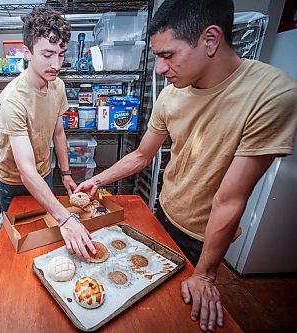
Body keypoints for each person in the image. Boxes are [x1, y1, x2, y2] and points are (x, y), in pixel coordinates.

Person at [76, 0, 297, 331]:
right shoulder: (170, 96)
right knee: (138, 301)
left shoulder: (270, 94)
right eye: (158, 58)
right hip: (163, 213)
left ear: (210, 40)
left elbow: (230, 198)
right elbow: (141, 155)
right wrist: (96, 181)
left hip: (204, 235)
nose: (160, 69)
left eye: (168, 55)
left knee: (174, 316)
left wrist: (206, 274)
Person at [0, 6, 96, 260]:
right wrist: (66, 218)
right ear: (27, 52)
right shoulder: (12, 100)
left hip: (45, 173)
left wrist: (65, 173)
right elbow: (25, 171)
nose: (56, 64)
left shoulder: (57, 85)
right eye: (48, 54)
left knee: (48, 242)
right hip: (14, 183)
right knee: (22, 247)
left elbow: (58, 132)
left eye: (61, 55)